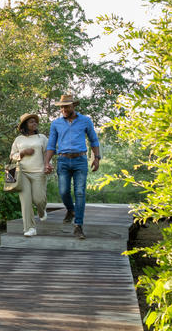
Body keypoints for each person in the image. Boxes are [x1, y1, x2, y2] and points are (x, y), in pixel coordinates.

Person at [43, 94, 101, 239]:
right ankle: (70, 209)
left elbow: (94, 140)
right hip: (63, 161)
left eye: (66, 106)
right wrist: (46, 162)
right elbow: (51, 145)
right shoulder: (56, 124)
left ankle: (78, 226)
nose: (63, 109)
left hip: (80, 160)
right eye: (61, 106)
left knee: (80, 192)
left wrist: (97, 158)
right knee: (63, 191)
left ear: (73, 106)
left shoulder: (85, 121)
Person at [9, 113, 49, 237]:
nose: (34, 123)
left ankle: (41, 211)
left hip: (39, 172)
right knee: (25, 201)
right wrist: (23, 152)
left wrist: (48, 165)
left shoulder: (42, 137)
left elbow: (47, 153)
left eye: (35, 121)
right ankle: (30, 228)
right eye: (31, 122)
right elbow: (12, 157)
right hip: (22, 173)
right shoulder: (18, 140)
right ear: (25, 125)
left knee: (39, 199)